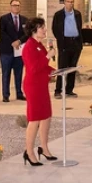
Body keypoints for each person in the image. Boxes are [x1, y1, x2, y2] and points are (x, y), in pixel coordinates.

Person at [21, 17, 57, 166]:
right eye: (42, 28)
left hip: (42, 85)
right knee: (34, 119)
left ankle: (44, 148)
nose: (45, 30)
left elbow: (43, 66)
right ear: (34, 30)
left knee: (46, 116)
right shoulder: (29, 46)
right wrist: (48, 56)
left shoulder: (40, 45)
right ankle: (29, 152)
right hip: (33, 86)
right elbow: (34, 68)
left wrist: (56, 71)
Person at [51, 0, 83, 99]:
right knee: (62, 67)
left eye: (72, 2)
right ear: (64, 2)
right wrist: (61, 39)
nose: (70, 4)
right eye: (68, 1)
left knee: (72, 68)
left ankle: (69, 90)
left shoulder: (77, 14)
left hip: (76, 43)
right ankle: (58, 90)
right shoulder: (58, 15)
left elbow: (79, 27)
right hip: (64, 43)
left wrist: (79, 43)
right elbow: (54, 29)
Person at [0, 0, 28, 103]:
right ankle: (5, 95)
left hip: (19, 51)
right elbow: (2, 33)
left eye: (18, 5)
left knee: (18, 73)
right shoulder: (4, 19)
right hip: (6, 51)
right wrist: (12, 42)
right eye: (14, 5)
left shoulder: (24, 20)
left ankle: (19, 93)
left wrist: (19, 41)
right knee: (6, 73)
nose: (16, 7)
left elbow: (27, 34)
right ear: (10, 7)